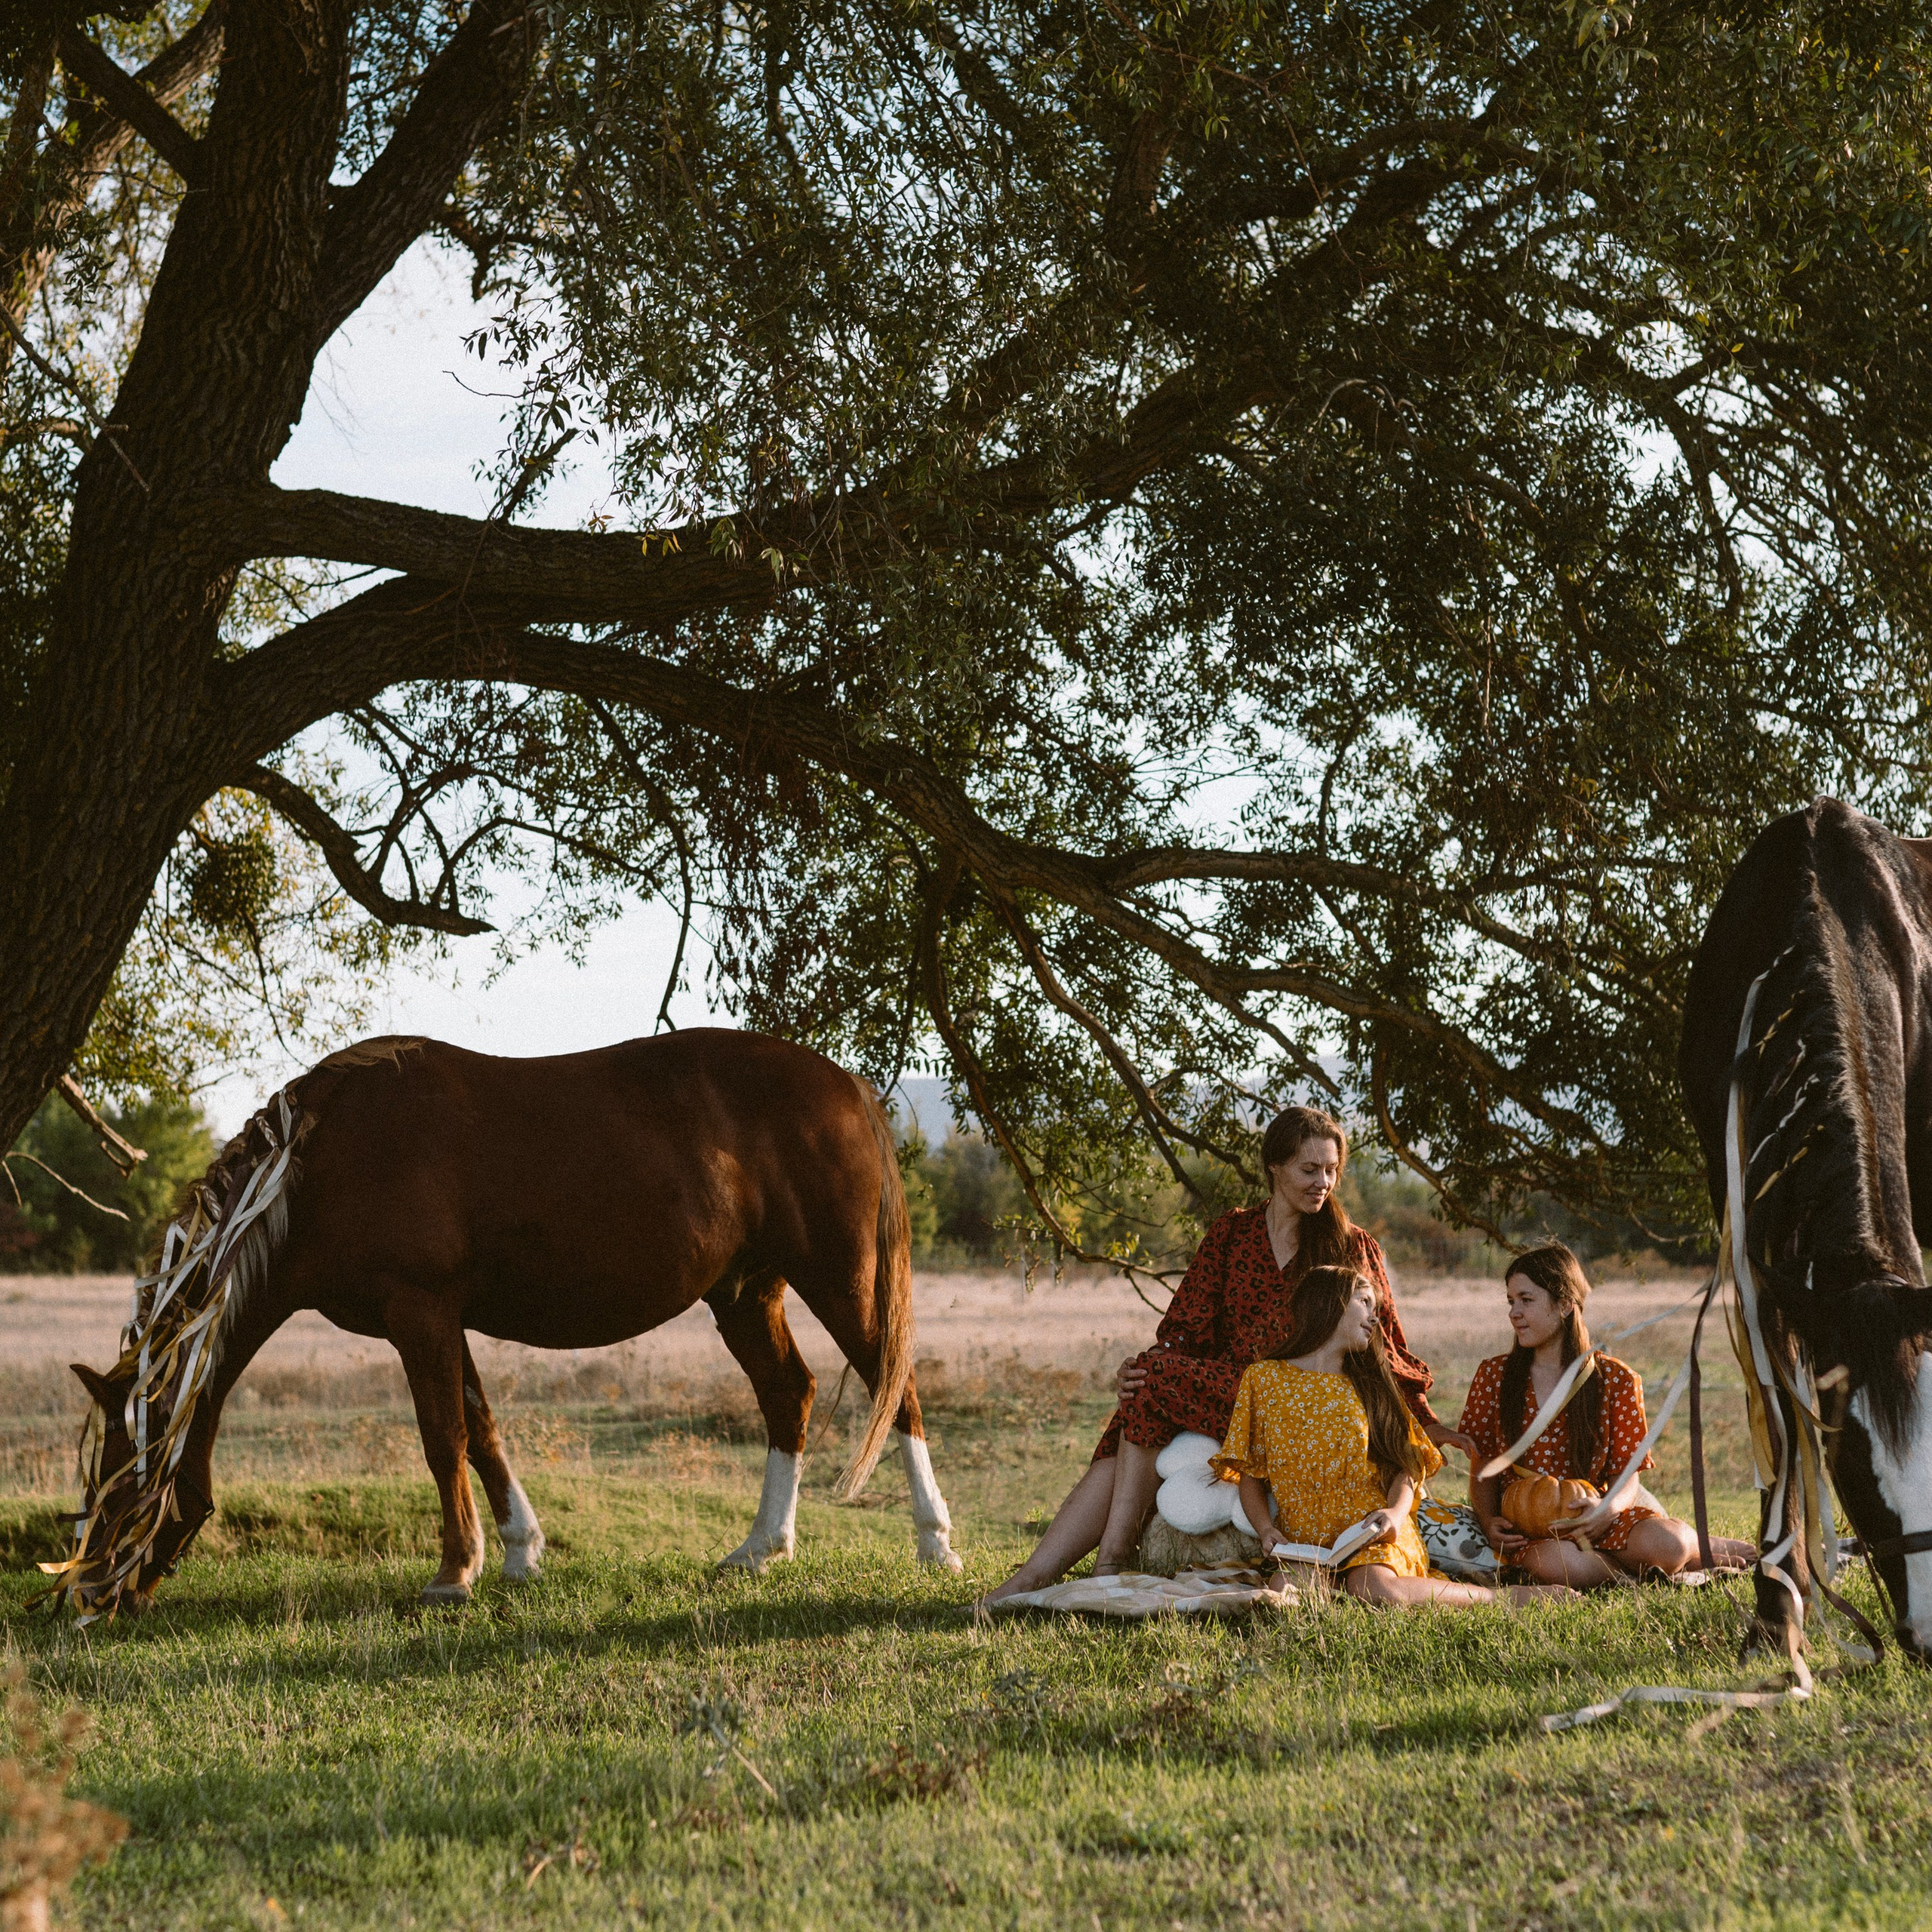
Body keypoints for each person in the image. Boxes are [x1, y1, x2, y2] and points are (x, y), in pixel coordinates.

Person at [980, 1104, 1473, 1606]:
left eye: (1331, 1170)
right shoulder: (1232, 1234)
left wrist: (1425, 1420)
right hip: (1240, 1390)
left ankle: (1102, 1563)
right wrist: (1141, 1368)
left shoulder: (1350, 1244)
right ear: (1275, 1166)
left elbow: (1386, 1344)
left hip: (1311, 1398)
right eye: (1309, 1169)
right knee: (1145, 1387)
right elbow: (1184, 1328)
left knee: (1153, 1383)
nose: (1323, 1183)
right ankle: (1065, 1568)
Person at [1214, 1266, 1571, 1606]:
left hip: (1371, 1529)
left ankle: (1505, 1599)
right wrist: (1265, 1530)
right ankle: (1343, 1589)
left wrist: (1396, 1514)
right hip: (1306, 1542)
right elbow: (1251, 1474)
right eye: (1364, 1303)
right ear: (1330, 1302)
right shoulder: (1263, 1379)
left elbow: (1408, 1465)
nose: (1374, 1318)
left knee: (1375, 1588)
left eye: (1376, 1308)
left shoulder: (1371, 1385)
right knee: (1287, 1590)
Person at [1462, 1243, 1755, 1586]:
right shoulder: (1494, 1376)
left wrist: (1609, 1510)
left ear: (1565, 1305)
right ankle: (1639, 1572)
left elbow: (1627, 1472)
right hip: (1532, 1528)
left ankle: (1696, 1548)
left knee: (1669, 1544)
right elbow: (1483, 1465)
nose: (1514, 1312)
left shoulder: (1616, 1379)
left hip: (1598, 1515)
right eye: (1511, 1301)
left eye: (1526, 1300)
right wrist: (1488, 1520)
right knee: (1555, 1565)